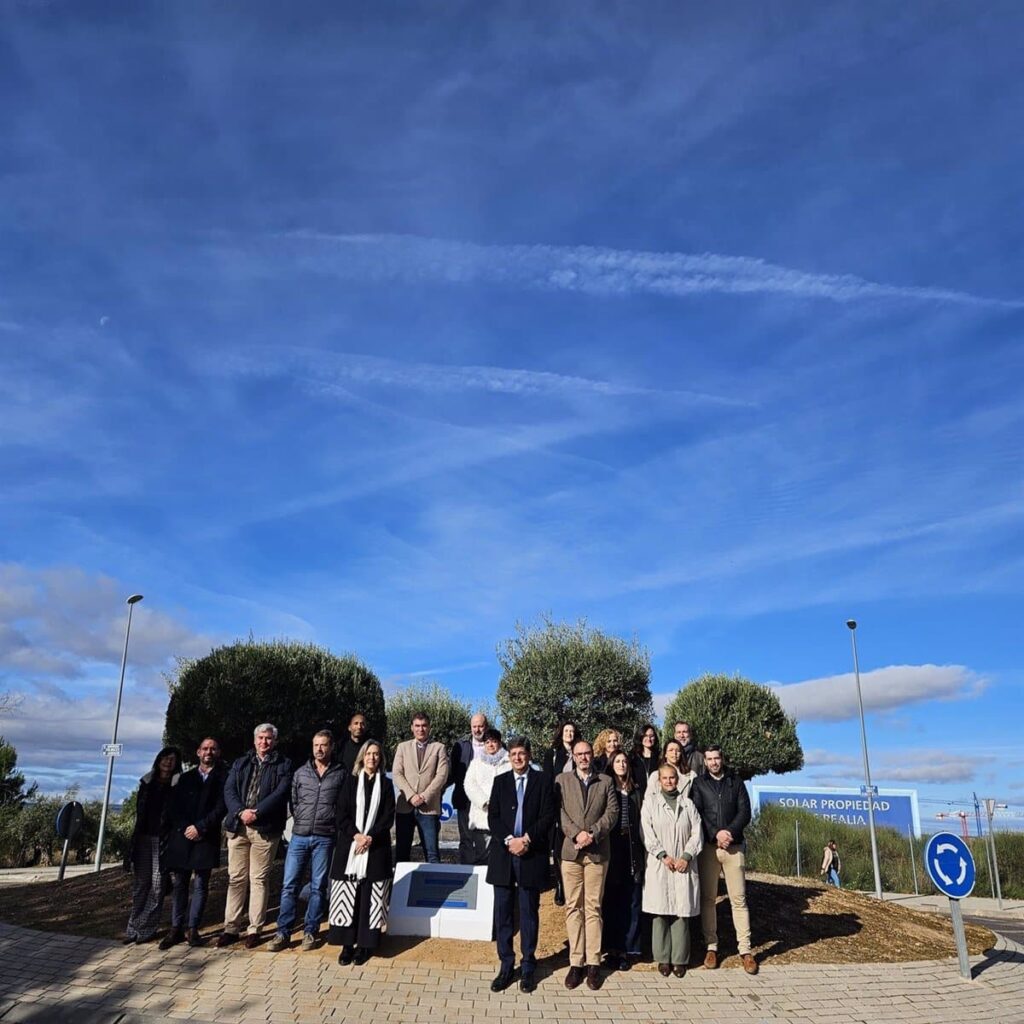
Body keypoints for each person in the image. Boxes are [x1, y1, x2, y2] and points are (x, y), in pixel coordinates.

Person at [487, 736, 554, 994]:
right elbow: (493, 817)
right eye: (513, 753)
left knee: (528, 913)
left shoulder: (542, 781)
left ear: (529, 755)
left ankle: (528, 965)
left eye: (522, 753)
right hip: (503, 857)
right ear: (509, 756)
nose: (517, 757)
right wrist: (509, 840)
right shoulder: (500, 782)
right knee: (503, 914)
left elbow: (548, 815)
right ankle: (506, 965)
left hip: (531, 854)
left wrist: (526, 839)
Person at [269, 730, 347, 951]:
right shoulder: (300, 773)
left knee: (318, 887)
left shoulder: (341, 773)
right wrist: (302, 819)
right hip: (300, 836)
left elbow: (343, 804)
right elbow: (294, 802)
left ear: (331, 747)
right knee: (289, 885)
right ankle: (282, 932)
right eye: (315, 746)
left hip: (325, 837)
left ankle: (310, 931)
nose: (319, 749)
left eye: (323, 745)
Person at [218, 723, 293, 948]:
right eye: (261, 738)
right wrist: (241, 812)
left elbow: (281, 793)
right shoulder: (241, 763)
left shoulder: (284, 764)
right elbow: (229, 790)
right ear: (254, 740)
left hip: (265, 829)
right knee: (236, 878)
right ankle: (231, 928)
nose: (264, 742)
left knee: (258, 879)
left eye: (269, 738)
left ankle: (254, 929)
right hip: (238, 826)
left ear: (275, 741)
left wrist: (257, 812)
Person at [554, 739, 617, 991]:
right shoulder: (562, 780)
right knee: (573, 907)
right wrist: (576, 834)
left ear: (593, 755)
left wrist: (592, 832)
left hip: (597, 852)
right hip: (570, 853)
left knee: (593, 907)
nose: (583, 757)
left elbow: (611, 812)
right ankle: (575, 962)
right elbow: (559, 812)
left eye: (587, 753)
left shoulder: (606, 781)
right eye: (578, 754)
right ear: (574, 756)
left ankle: (593, 963)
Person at [690, 745, 756, 974]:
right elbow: (696, 813)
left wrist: (728, 832)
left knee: (739, 899)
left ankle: (745, 950)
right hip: (709, 847)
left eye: (716, 758)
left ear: (722, 759)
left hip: (734, 847)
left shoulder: (735, 782)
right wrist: (715, 833)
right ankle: (711, 946)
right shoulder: (698, 784)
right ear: (705, 761)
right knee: (708, 899)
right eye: (709, 759)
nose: (713, 762)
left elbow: (745, 812)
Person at [329, 739, 396, 965]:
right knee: (349, 895)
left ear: (381, 758)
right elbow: (341, 813)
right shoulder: (350, 782)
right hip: (351, 848)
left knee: (371, 897)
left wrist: (370, 837)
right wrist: (356, 836)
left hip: (376, 849)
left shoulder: (386, 785)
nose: (372, 758)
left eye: (376, 754)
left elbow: (388, 816)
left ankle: (366, 946)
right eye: (368, 754)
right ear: (362, 756)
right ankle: (347, 945)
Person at [161, 738, 226, 949]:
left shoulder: (223, 779)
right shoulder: (184, 778)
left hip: (206, 837)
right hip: (182, 837)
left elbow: (221, 807)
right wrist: (186, 827)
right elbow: (173, 807)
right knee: (179, 884)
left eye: (213, 749)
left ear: (218, 752)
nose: (209, 752)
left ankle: (193, 928)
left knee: (200, 885)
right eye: (205, 748)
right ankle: (176, 928)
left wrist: (200, 827)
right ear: (198, 752)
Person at [641, 763, 703, 978]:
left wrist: (686, 856)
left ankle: (679, 960)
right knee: (660, 913)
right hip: (661, 864)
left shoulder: (688, 804)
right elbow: (647, 833)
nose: (669, 781)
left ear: (678, 780)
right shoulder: (650, 804)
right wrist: (662, 855)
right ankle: (662, 958)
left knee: (681, 912)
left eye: (672, 778)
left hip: (683, 864)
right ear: (659, 781)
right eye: (665, 778)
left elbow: (697, 833)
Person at [124, 747, 181, 944]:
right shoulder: (147, 782)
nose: (168, 762)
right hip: (143, 839)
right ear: (158, 760)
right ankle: (132, 928)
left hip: (163, 841)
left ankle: (146, 928)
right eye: (165, 758)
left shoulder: (178, 785)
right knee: (141, 885)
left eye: (172, 759)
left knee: (158, 886)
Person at [601, 751, 644, 970]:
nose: (621, 764)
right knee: (611, 901)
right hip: (612, 848)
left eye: (625, 761)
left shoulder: (636, 791)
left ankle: (629, 949)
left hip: (632, 849)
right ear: (611, 764)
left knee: (632, 900)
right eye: (617, 761)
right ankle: (612, 948)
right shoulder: (606, 789)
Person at [392, 711, 449, 863]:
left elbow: (442, 775)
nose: (420, 729)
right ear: (412, 727)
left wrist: (424, 796)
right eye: (417, 726)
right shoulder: (402, 747)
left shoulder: (439, 748)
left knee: (432, 854)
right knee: (402, 853)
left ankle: (435, 886)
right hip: (405, 806)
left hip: (429, 807)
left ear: (429, 727)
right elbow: (397, 773)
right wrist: (411, 796)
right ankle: (400, 887)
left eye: (424, 726)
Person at [463, 727, 510, 864]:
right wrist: (485, 802)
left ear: (500, 743)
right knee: (482, 858)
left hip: (504, 819)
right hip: (482, 818)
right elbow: (469, 785)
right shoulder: (476, 764)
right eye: (487, 742)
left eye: (494, 741)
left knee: (503, 858)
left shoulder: (509, 763)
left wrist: (501, 803)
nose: (490, 745)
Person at [542, 721, 576, 906]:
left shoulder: (580, 752)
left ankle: (571, 883)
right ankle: (560, 884)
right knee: (557, 846)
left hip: (576, 805)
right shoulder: (553, 754)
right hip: (557, 804)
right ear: (561, 733)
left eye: (572, 731)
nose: (569, 734)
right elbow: (548, 780)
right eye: (566, 731)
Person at [449, 712, 489, 864]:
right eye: (474, 726)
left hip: (486, 801)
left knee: (484, 837)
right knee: (465, 838)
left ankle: (483, 873)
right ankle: (467, 870)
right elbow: (452, 771)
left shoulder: (495, 744)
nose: (477, 730)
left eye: (480, 726)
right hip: (464, 799)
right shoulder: (460, 745)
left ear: (486, 726)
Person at [630, 723, 660, 790]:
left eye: (651, 736)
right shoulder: (632, 757)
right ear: (640, 737)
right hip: (638, 796)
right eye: (645, 736)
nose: (649, 739)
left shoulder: (660, 757)